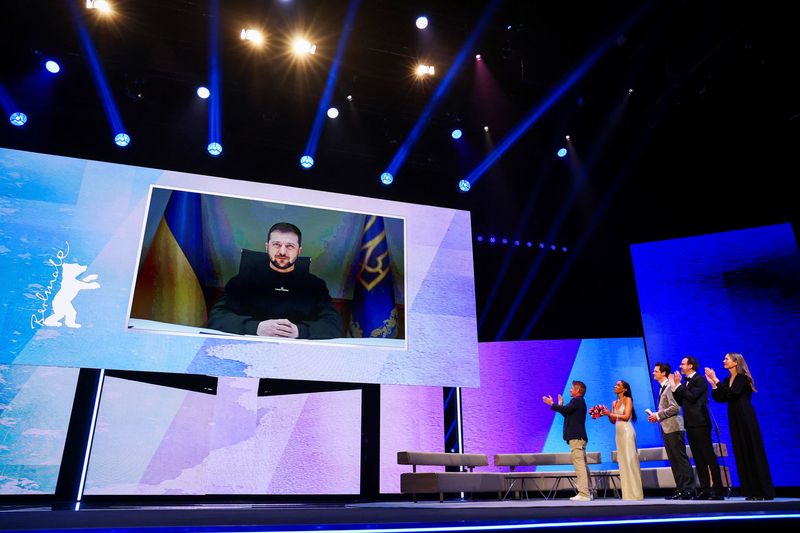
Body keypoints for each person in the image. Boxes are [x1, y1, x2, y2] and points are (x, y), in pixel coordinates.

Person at [207, 222, 343, 339]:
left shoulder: (315, 285)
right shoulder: (244, 280)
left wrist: (298, 331)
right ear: (267, 247)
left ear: (299, 251)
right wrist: (256, 328)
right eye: (276, 244)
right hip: (251, 346)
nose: (282, 252)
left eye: (290, 246)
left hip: (297, 352)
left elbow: (334, 324)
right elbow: (217, 317)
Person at [705, 352, 774, 500]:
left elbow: (733, 393)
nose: (724, 361)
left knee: (751, 451)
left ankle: (762, 491)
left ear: (736, 362)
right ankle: (750, 491)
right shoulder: (728, 379)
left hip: (746, 417)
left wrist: (716, 379)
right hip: (735, 417)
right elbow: (721, 398)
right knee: (741, 451)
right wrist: (712, 383)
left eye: (727, 359)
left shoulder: (742, 378)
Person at [669, 356, 724, 500]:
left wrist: (679, 385)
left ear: (691, 366)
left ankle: (718, 489)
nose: (680, 366)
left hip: (701, 422)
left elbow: (692, 397)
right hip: (690, 423)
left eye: (683, 364)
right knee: (698, 458)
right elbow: (681, 401)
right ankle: (705, 489)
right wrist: (675, 387)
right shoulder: (686, 383)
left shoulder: (699, 380)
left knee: (708, 456)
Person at [647, 362, 695, 499]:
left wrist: (658, 415)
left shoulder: (670, 386)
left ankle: (689, 489)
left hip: (674, 427)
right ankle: (680, 488)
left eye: (656, 371)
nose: (653, 373)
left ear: (663, 373)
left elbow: (675, 408)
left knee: (680, 458)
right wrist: (657, 415)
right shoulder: (662, 388)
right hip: (666, 427)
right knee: (673, 459)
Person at [543, 381, 593, 501]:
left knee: (579, 466)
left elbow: (566, 410)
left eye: (572, 388)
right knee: (583, 465)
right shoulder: (579, 402)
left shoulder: (576, 401)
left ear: (578, 390)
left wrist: (552, 404)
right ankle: (588, 492)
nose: (570, 390)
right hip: (579, 438)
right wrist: (560, 404)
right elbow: (567, 412)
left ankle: (584, 493)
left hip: (576, 438)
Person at [601, 380, 643, 500]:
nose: (615, 386)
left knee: (631, 461)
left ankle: (636, 494)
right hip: (618, 433)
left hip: (627, 431)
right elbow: (613, 421)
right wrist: (608, 414)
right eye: (615, 384)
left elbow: (626, 416)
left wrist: (611, 414)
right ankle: (627, 495)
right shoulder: (614, 402)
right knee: (623, 463)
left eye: (618, 385)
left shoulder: (628, 400)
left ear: (624, 389)